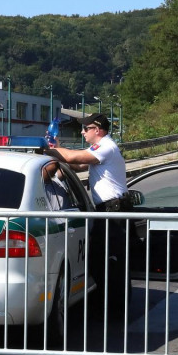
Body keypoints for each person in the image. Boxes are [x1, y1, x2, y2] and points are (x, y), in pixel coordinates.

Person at [45, 113, 130, 334]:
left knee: (111, 263)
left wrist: (50, 151)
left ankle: (116, 315)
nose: (83, 132)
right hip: (108, 211)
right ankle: (109, 310)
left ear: (98, 130)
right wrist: (59, 157)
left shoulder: (107, 147)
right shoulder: (99, 150)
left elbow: (74, 158)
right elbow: (76, 166)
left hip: (114, 212)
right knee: (102, 261)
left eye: (86, 129)